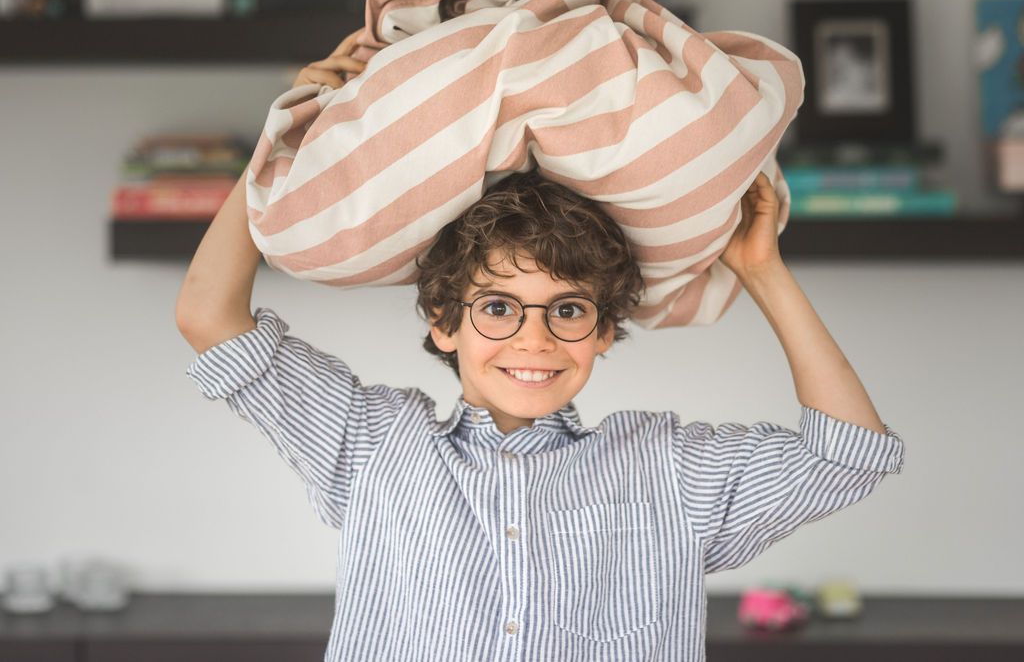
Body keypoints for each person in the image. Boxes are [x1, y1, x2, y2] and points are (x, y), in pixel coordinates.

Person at [175, 34, 905, 662]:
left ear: (607, 330)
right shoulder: (369, 446)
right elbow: (209, 315)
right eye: (498, 307)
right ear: (443, 321)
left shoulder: (666, 470)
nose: (534, 339)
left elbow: (849, 452)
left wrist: (762, 272)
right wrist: (288, 143)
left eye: (568, 310)